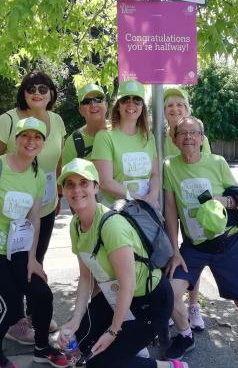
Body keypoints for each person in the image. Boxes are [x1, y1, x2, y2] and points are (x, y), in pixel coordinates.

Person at [57, 158, 187, 368]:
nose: (77, 190)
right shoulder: (75, 224)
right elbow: (85, 276)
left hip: (150, 302)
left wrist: (113, 331)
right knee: (75, 347)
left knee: (97, 364)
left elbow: (129, 285)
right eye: (69, 184)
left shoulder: (111, 226)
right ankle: (130, 349)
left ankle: (168, 366)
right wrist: (76, 319)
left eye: (84, 183)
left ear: (96, 187)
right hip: (115, 296)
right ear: (63, 189)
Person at [0, 117, 68, 368]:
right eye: (25, 136)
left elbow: (34, 219)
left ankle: (41, 347)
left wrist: (32, 259)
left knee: (41, 293)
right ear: (15, 140)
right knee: (9, 305)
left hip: (14, 250)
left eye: (37, 137)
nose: (31, 141)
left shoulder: (38, 176)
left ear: (42, 144)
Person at [163, 116, 238, 365]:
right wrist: (174, 249)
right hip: (193, 247)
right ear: (175, 139)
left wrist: (223, 201)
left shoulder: (218, 163)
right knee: (168, 292)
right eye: (182, 133)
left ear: (202, 138)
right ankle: (185, 335)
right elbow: (170, 210)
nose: (188, 137)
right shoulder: (170, 166)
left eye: (194, 132)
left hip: (228, 244)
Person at [0, 70, 66, 342]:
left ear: (52, 93)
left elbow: (58, 157)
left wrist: (60, 190)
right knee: (13, 262)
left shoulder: (57, 120)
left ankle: (32, 314)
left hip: (45, 204)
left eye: (43, 87)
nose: (37, 92)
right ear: (23, 92)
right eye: (30, 88)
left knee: (34, 260)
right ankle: (15, 321)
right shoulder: (7, 120)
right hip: (10, 209)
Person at [163, 87, 210, 331]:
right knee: (171, 253)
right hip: (168, 202)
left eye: (179, 104)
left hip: (192, 204)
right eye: (169, 105)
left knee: (195, 254)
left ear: (187, 108)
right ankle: (173, 305)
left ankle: (193, 306)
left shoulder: (197, 134)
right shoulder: (158, 137)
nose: (175, 109)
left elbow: (206, 174)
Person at [91, 80, 160, 208]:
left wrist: (153, 196)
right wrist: (141, 200)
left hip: (146, 209)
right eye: (125, 99)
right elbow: (105, 182)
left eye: (137, 100)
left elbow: (155, 174)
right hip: (116, 210)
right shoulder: (105, 136)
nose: (131, 104)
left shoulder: (148, 137)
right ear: (118, 105)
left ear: (142, 106)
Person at [62, 83, 108, 165]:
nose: (93, 105)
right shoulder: (73, 142)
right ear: (80, 110)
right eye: (86, 102)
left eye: (98, 99)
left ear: (106, 105)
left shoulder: (120, 131)